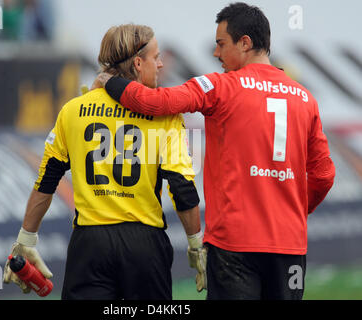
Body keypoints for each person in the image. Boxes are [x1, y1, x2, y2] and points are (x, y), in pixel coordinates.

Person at [95, 2, 336, 300]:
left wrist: (110, 81)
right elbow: (324, 176)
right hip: (289, 248)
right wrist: (295, 212)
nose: (215, 53)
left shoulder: (220, 86)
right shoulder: (305, 98)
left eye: (221, 44)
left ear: (245, 43)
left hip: (234, 245)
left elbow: (157, 103)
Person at [3, 23, 206, 300]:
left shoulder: (72, 111)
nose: (160, 65)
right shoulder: (165, 116)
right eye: (155, 57)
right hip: (144, 246)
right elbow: (182, 187)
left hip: (90, 246)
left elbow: (47, 182)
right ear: (137, 63)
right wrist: (195, 244)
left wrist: (26, 239)